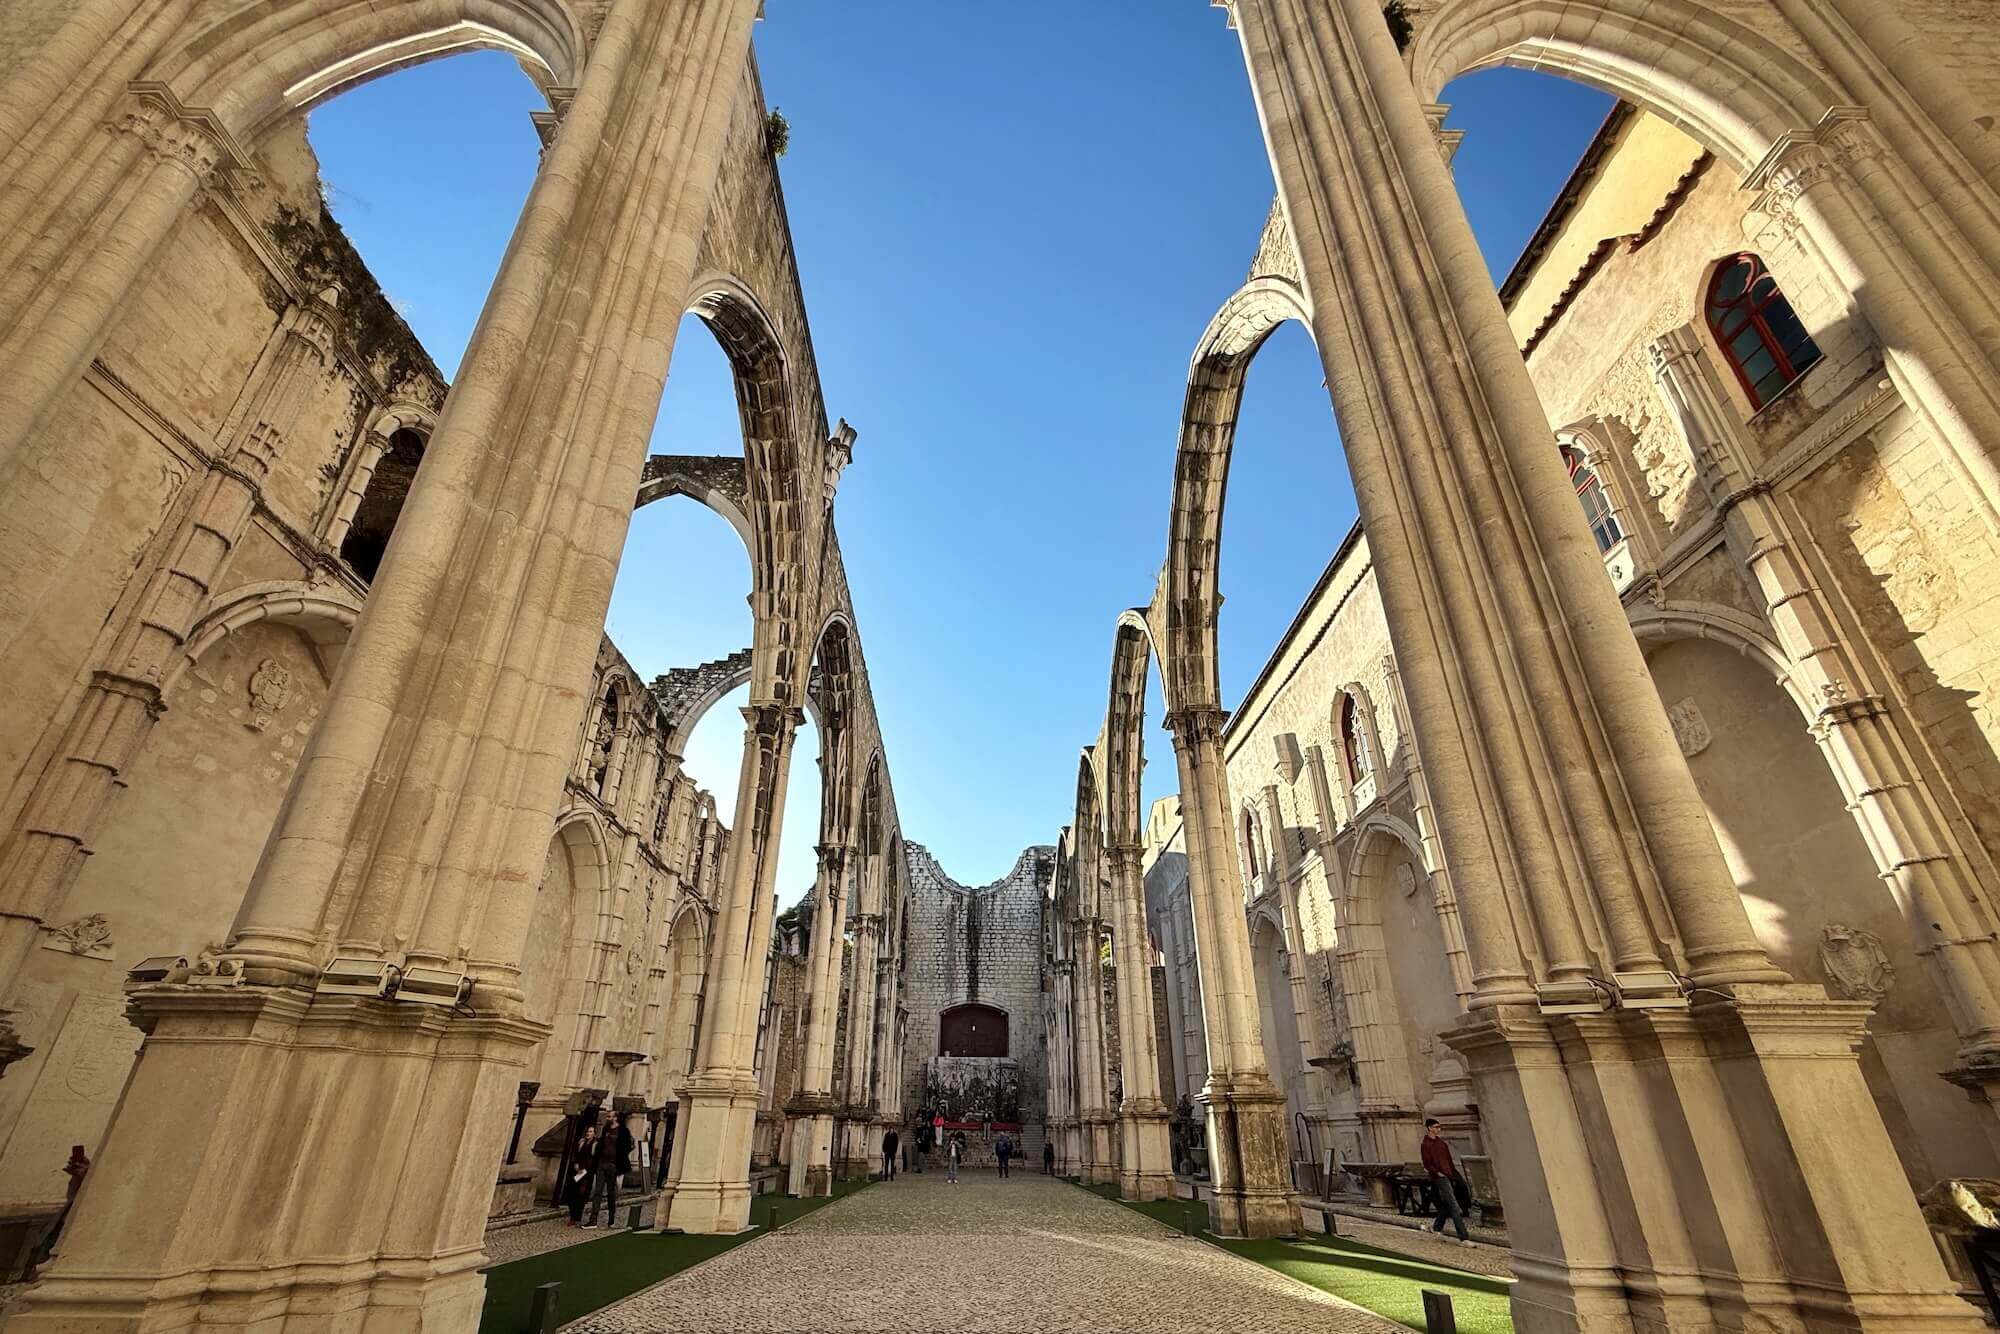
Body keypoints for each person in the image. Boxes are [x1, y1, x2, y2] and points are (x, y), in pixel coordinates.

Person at [1421, 1118, 1472, 1244]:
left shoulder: (1442, 1144)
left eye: (1439, 1127)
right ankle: (1463, 1237)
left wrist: (1455, 1175)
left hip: (1449, 1175)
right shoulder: (1425, 1145)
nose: (1439, 1129)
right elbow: (1427, 1163)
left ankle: (1437, 1227)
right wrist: (1438, 1173)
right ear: (1430, 1128)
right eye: (1437, 1127)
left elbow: (1449, 1161)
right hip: (1439, 1177)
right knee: (1454, 1205)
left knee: (1448, 1203)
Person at [583, 1112, 634, 1229]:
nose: (608, 1118)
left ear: (615, 1118)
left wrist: (619, 1160)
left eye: (610, 1116)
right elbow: (601, 1145)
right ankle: (593, 1220)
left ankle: (611, 1220)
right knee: (598, 1191)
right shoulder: (606, 1129)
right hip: (602, 1163)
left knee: (611, 1193)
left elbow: (628, 1146)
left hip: (613, 1165)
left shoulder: (623, 1131)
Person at [566, 1124, 598, 1226]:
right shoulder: (581, 1142)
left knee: (581, 1196)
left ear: (594, 1134)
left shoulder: (595, 1145)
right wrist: (576, 1164)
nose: (588, 1133)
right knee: (571, 1193)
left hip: (587, 1173)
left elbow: (594, 1160)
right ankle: (572, 1216)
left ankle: (577, 1218)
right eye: (587, 1131)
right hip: (578, 1172)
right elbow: (575, 1155)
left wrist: (586, 1170)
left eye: (591, 1131)